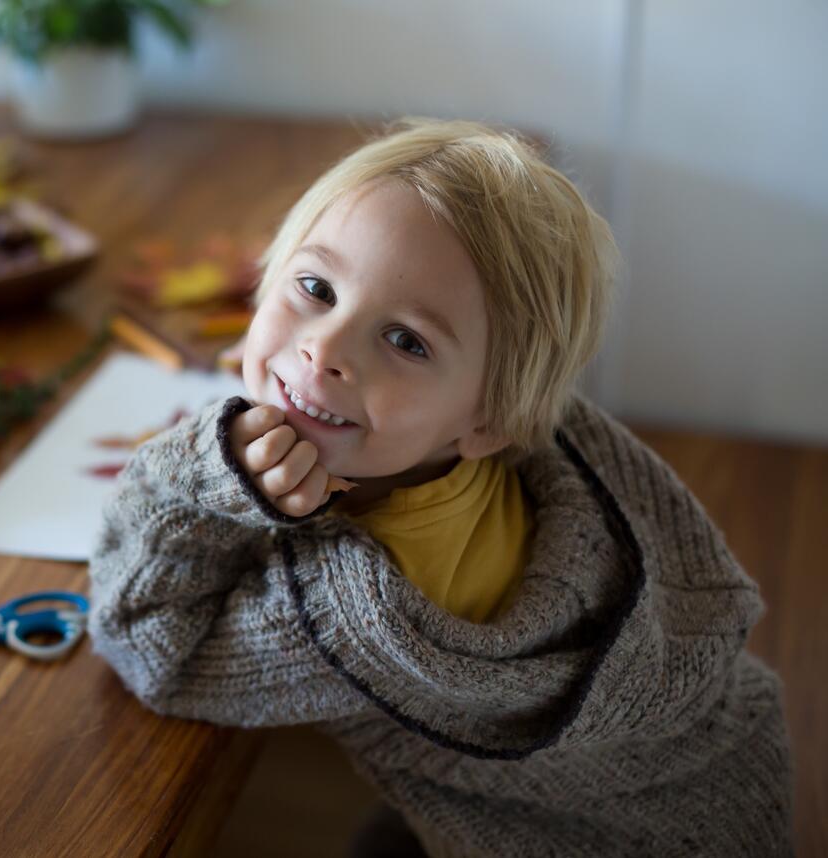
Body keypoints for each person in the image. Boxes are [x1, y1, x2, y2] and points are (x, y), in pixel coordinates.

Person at [86, 118, 793, 856]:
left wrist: (201, 473)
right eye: (316, 288)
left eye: (406, 341)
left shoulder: (364, 618)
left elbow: (148, 646)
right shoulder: (486, 439)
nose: (322, 349)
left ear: (488, 423)